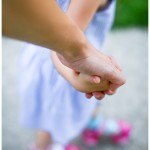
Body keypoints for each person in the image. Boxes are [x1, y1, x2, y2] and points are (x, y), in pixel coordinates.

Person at [17, 1, 130, 150]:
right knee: (52, 114)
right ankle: (44, 146)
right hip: (64, 67)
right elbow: (61, 44)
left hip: (45, 53)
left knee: (84, 103)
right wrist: (74, 80)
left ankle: (92, 125)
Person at [3, 0, 126, 100]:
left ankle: (90, 122)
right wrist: (76, 81)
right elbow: (61, 47)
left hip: (39, 54)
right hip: (62, 72)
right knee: (53, 124)